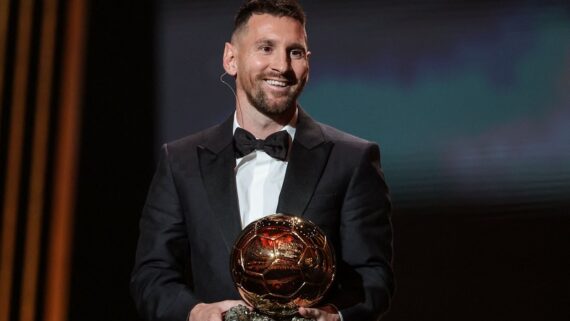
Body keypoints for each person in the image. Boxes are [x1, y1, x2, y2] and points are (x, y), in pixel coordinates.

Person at [130, 1, 394, 320]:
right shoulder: (180, 161)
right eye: (266, 48)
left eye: (295, 52)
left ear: (307, 63)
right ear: (231, 58)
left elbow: (373, 278)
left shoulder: (352, 159)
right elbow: (152, 274)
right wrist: (195, 312)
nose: (281, 65)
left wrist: (333, 316)